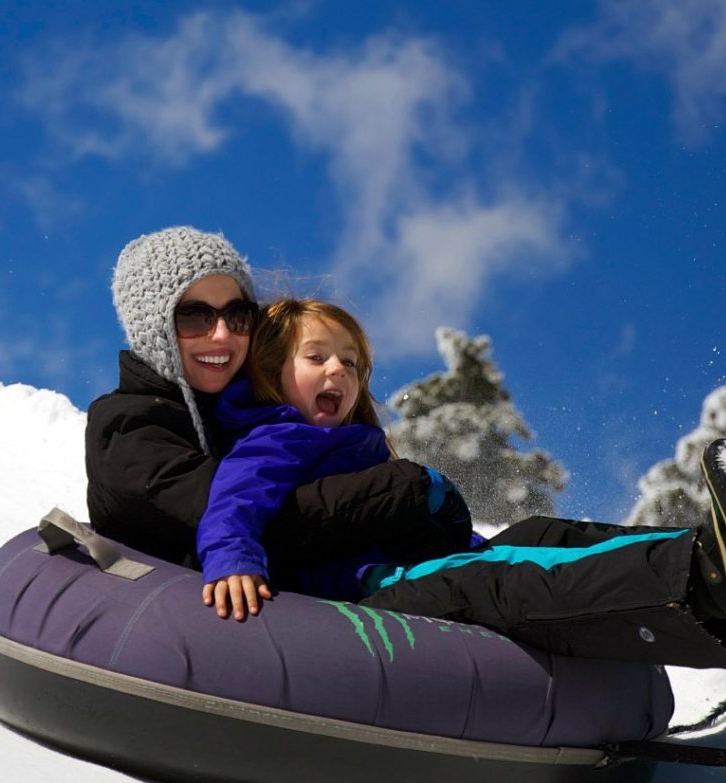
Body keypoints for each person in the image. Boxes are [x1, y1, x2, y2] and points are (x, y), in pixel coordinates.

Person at [196, 295, 726, 667]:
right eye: (318, 358)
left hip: (413, 570)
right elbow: (234, 499)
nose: (339, 373)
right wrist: (229, 557)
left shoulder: (355, 443)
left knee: (544, 534)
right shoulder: (275, 437)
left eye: (351, 362)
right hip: (363, 598)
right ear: (271, 371)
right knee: (512, 575)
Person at [86, 226, 472, 579]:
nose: (221, 335)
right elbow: (257, 519)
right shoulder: (128, 427)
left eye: (238, 316)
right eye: (194, 317)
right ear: (155, 328)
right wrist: (408, 487)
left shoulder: (248, 414)